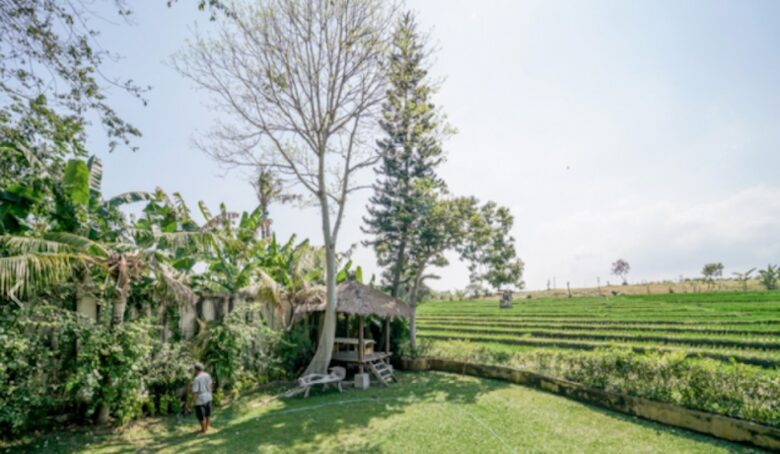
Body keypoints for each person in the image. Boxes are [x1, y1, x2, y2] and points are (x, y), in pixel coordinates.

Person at [191, 362, 213, 434]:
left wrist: (194, 402)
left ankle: (203, 430)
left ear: (196, 370)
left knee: (201, 415)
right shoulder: (207, 375)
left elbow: (195, 392)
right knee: (208, 413)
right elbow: (210, 385)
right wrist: (210, 393)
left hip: (200, 398)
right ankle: (207, 427)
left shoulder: (196, 379)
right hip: (208, 396)